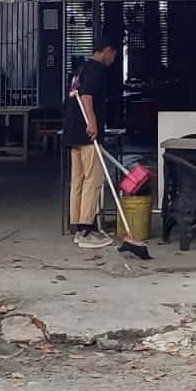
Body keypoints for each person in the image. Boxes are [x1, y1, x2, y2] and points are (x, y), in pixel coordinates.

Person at [63, 36, 118, 249]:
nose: (113, 59)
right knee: (93, 179)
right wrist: (93, 122)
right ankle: (86, 229)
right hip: (87, 132)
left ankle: (77, 226)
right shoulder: (96, 69)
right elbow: (86, 95)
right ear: (107, 50)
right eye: (113, 54)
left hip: (72, 130)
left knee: (78, 180)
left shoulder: (81, 68)